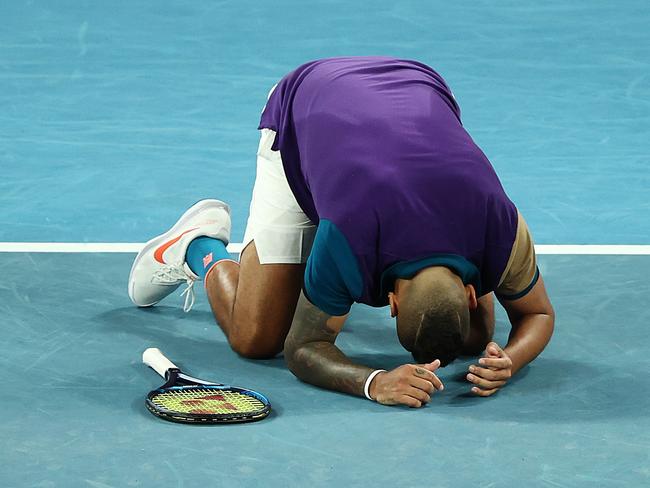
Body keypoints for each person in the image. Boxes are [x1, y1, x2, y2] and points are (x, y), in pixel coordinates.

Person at [128, 57, 555, 408]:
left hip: (417, 85)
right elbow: (303, 347)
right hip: (303, 110)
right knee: (256, 338)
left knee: (474, 339)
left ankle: (298, 278)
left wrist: (510, 360)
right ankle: (197, 246)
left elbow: (538, 315)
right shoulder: (348, 242)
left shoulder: (500, 224)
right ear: (389, 304)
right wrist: (373, 381)